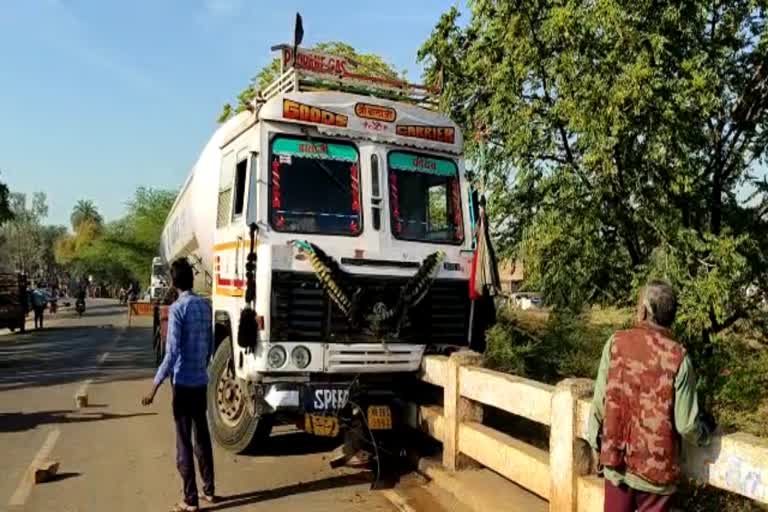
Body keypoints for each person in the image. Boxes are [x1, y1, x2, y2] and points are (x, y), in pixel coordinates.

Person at [588, 280, 717, 512]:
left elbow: (599, 404)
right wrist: (705, 432)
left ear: (645, 310)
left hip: (617, 467)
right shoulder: (680, 359)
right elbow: (687, 425)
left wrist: (598, 447)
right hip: (656, 477)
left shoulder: (615, 343)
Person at [141, 258, 215, 511]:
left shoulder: (177, 310)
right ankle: (209, 490)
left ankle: (190, 499)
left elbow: (171, 354)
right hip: (200, 381)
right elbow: (210, 344)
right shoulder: (205, 307)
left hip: (183, 383)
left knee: (183, 440)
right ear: (192, 280)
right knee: (202, 435)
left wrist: (154, 386)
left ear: (173, 282)